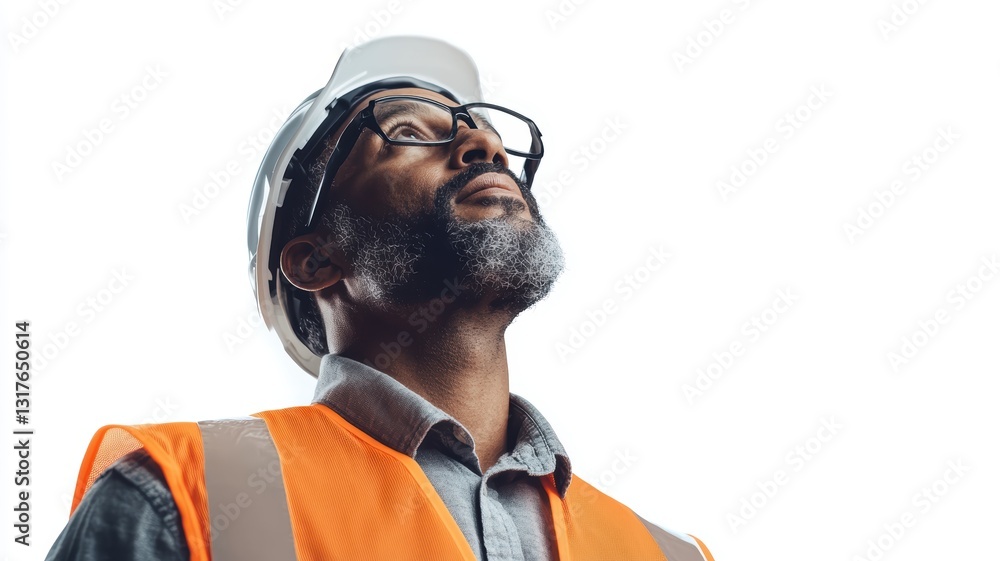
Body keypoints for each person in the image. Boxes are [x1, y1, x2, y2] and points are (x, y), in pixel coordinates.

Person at [45, 35, 714, 561]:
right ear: (315, 260)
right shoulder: (184, 495)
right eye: (410, 132)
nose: (481, 143)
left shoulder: (671, 555)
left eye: (479, 132)